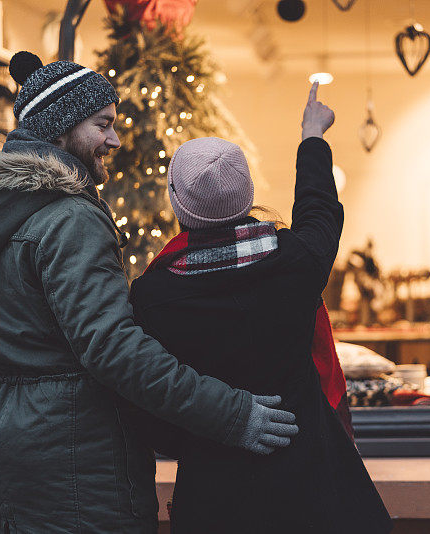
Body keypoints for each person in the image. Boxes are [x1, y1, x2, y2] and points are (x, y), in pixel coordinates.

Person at [0, 51, 297, 534]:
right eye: (102, 124)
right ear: (60, 127)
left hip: (16, 455)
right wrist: (231, 414)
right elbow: (112, 348)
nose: (114, 139)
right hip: (79, 462)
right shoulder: (69, 218)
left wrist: (14, 428)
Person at [126, 82, 393, 533]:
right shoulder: (296, 261)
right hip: (315, 491)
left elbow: (154, 413)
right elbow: (318, 208)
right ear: (248, 194)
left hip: (216, 499)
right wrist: (312, 136)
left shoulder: (154, 296)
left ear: (176, 201)